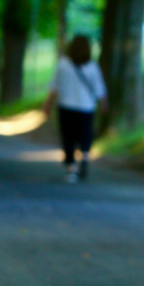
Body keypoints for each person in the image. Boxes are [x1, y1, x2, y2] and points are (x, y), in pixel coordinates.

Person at [42, 35, 109, 183]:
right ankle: (85, 155)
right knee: (85, 134)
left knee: (68, 137)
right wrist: (104, 104)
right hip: (86, 107)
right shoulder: (92, 66)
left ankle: (71, 168)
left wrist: (47, 105)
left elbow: (54, 87)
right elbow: (100, 89)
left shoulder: (63, 65)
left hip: (66, 106)